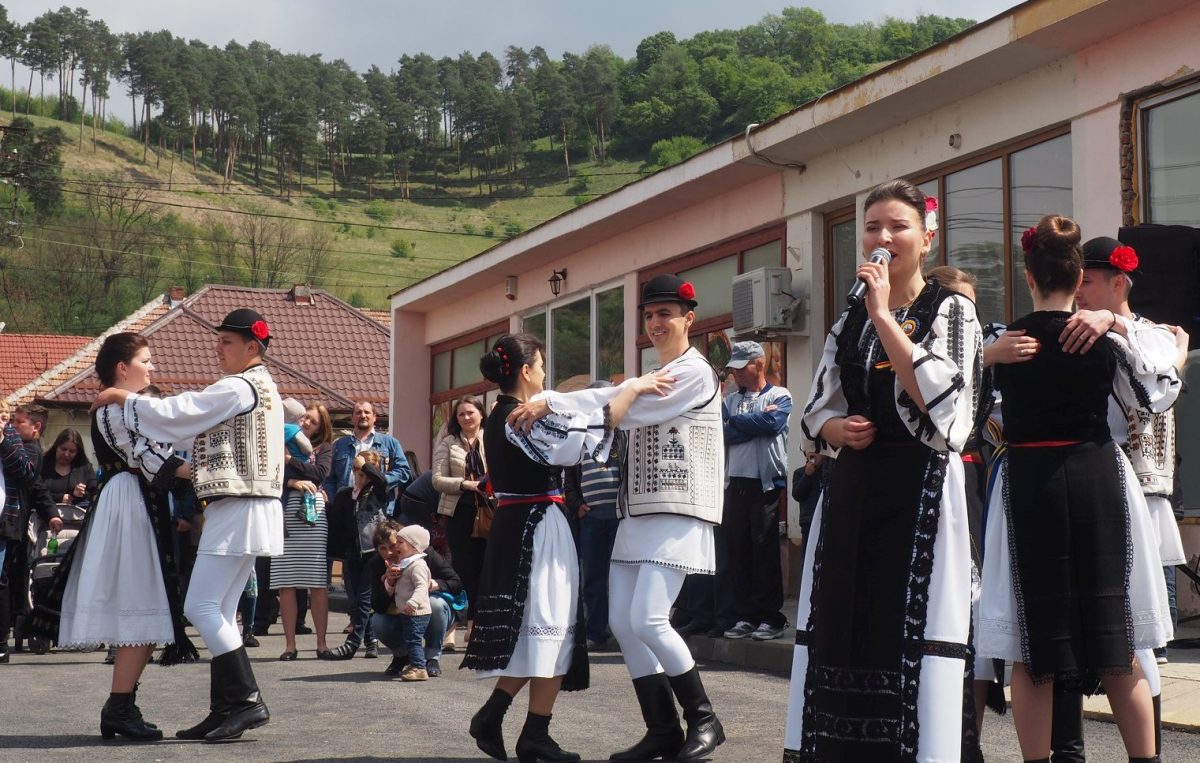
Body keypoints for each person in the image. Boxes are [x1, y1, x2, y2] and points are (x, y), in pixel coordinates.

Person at [783, 180, 982, 762]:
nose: (883, 238)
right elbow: (816, 403)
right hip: (854, 491)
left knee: (908, 634)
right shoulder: (851, 317)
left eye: (897, 226)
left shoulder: (951, 311)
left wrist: (884, 314)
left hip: (919, 490)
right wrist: (833, 430)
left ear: (926, 236)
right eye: (872, 227)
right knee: (844, 625)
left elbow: (947, 412)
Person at [975, 215, 1178, 763]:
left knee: (1031, 643)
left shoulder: (1001, 342)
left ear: (1028, 274)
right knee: (1119, 639)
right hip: (1097, 479)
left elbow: (964, 419)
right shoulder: (1103, 339)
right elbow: (1155, 397)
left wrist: (986, 358)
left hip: (1028, 484)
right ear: (1075, 274)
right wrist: (1122, 330)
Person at [512, 274, 730, 763]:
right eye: (649, 316)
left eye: (665, 315)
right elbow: (617, 408)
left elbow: (624, 413)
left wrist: (553, 400)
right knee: (621, 621)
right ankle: (662, 730)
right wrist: (621, 390)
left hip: (678, 506)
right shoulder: (651, 374)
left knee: (650, 619)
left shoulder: (694, 372)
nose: (655, 324)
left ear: (688, 319)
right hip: (638, 510)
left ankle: (704, 718)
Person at [464, 333, 670, 763]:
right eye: (540, 366)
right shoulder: (524, 417)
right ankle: (529, 733)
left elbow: (582, 419)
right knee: (552, 629)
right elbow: (593, 429)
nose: (544, 374)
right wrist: (633, 387)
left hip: (518, 524)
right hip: (536, 528)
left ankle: (503, 720)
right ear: (525, 371)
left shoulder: (500, 415)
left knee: (538, 632)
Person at [90, 308, 285, 743]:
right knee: (222, 612)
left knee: (200, 607)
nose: (218, 348)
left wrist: (127, 400)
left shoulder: (239, 385)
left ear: (252, 347)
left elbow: (184, 411)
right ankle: (224, 708)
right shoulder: (258, 386)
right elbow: (189, 427)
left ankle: (245, 701)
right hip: (245, 507)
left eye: (227, 342)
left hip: (239, 508)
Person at [1035, 235, 1190, 763]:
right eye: (1077, 281)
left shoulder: (1150, 332)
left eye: (1090, 282)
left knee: (1136, 635)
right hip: (1079, 485)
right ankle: (1068, 750)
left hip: (1133, 493)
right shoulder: (1060, 329)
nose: (1079, 292)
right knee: (1064, 627)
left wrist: (1116, 325)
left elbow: (1162, 385)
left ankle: (1149, 752)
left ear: (1118, 283)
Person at [30, 332, 198, 741]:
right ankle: (119, 707)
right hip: (129, 505)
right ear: (123, 368)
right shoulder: (113, 410)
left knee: (146, 604)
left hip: (138, 501)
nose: (152, 367)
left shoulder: (127, 406)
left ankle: (122, 705)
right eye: (146, 360)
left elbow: (170, 432)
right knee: (141, 602)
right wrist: (204, 475)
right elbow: (146, 455)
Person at [717, 340, 791, 642]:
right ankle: (745, 615)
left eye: (740, 368)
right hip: (734, 482)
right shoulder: (731, 400)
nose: (735, 375)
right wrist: (750, 422)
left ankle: (770, 617)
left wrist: (739, 423)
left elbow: (773, 422)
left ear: (758, 364)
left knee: (764, 551)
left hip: (765, 483)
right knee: (738, 550)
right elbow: (723, 429)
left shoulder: (780, 395)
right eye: (732, 370)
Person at [563, 381, 626, 651]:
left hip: (620, 515)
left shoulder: (622, 433)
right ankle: (596, 631)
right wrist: (577, 504)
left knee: (622, 575)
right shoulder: (579, 436)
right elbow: (569, 478)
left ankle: (623, 631)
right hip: (591, 517)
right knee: (593, 575)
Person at [272, 403, 335, 661]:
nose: (306, 423)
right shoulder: (277, 441)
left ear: (322, 428)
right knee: (286, 583)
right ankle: (289, 645)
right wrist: (291, 481)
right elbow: (270, 476)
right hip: (285, 511)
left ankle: (321, 644)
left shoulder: (325, 448)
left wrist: (289, 460)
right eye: (305, 417)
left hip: (313, 517)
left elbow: (320, 473)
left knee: (317, 583)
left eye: (313, 421)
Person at [0, 404, 59, 661]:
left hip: (11, 521)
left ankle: (3, 639)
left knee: (7, 580)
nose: (11, 424)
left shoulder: (26, 447)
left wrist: (51, 512)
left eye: (15, 421)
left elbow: (32, 481)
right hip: (12, 520)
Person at [371, 517, 462, 678]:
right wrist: (389, 583)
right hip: (401, 613)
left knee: (436, 605)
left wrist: (431, 584)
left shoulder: (424, 556)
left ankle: (431, 658)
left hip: (424, 609)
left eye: (395, 545)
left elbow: (455, 582)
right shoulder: (378, 564)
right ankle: (403, 655)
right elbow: (377, 605)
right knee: (378, 621)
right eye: (382, 549)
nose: (390, 552)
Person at [431, 396, 489, 645]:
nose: (466, 417)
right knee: (462, 571)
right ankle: (452, 624)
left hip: (490, 513)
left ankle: (475, 626)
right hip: (460, 514)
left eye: (470, 413)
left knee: (485, 570)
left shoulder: (492, 439)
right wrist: (466, 484)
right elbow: (437, 480)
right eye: (461, 414)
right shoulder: (448, 443)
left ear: (481, 414)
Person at [323, 450, 388, 660]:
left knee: (365, 598)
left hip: (371, 552)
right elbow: (337, 523)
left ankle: (352, 643)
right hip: (352, 554)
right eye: (358, 472)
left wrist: (367, 466)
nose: (361, 478)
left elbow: (380, 481)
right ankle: (371, 640)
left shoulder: (377, 492)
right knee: (355, 600)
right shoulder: (345, 493)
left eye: (365, 474)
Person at [323, 401, 410, 518]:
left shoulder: (390, 443)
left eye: (367, 412)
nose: (363, 415)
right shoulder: (339, 445)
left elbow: (403, 472)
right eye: (358, 412)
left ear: (374, 417)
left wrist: (380, 481)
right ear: (352, 418)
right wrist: (336, 503)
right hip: (346, 511)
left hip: (379, 511)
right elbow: (329, 479)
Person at [379, 521, 432, 681]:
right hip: (407, 610)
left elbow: (422, 587)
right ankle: (414, 664)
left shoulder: (418, 566)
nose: (396, 547)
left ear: (414, 546)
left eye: (401, 543)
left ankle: (419, 668)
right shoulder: (405, 564)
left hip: (416, 611)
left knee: (414, 639)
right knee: (410, 638)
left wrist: (413, 603)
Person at [39, 428, 97, 508]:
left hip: (75, 518)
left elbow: (94, 494)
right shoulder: (42, 463)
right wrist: (59, 498)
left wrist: (79, 494)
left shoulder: (85, 468)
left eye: (72, 451)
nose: (66, 454)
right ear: (56, 447)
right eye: (63, 449)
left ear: (78, 452)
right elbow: (34, 491)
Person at [281, 398, 314, 462]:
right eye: (301, 417)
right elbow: (308, 449)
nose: (303, 420)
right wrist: (309, 451)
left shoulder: (280, 430)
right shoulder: (295, 429)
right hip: (300, 462)